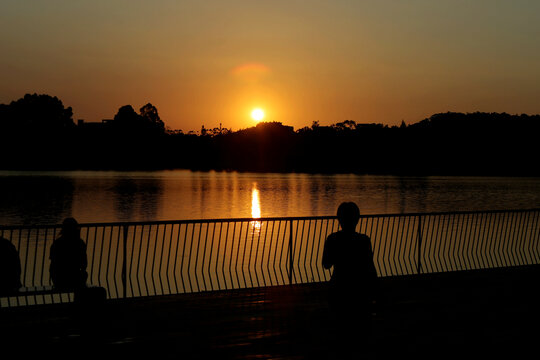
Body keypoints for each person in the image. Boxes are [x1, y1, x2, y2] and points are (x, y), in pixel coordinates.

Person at [322, 202, 378, 353]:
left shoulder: (332, 239)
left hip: (338, 289)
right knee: (360, 331)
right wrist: (375, 290)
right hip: (359, 292)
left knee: (339, 327)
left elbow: (326, 264)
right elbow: (370, 267)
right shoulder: (364, 240)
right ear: (357, 219)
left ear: (339, 219)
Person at [49, 217, 88, 289]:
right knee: (84, 275)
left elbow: (52, 265)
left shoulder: (57, 243)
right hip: (75, 279)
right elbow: (84, 265)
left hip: (58, 280)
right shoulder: (80, 243)